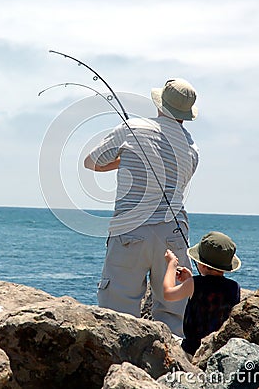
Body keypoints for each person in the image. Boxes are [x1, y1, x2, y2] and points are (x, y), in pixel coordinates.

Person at [84, 78, 199, 337]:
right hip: (173, 232)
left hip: (130, 230)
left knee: (118, 314)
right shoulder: (192, 148)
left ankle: (122, 370)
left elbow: (91, 162)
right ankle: (172, 371)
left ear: (160, 104)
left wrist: (121, 159)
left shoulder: (132, 127)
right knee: (173, 316)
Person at [163, 231, 241, 356]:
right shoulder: (234, 287)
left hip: (191, 350)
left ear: (202, 264)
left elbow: (168, 293)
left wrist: (171, 266)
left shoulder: (195, 284)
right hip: (218, 349)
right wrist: (189, 279)